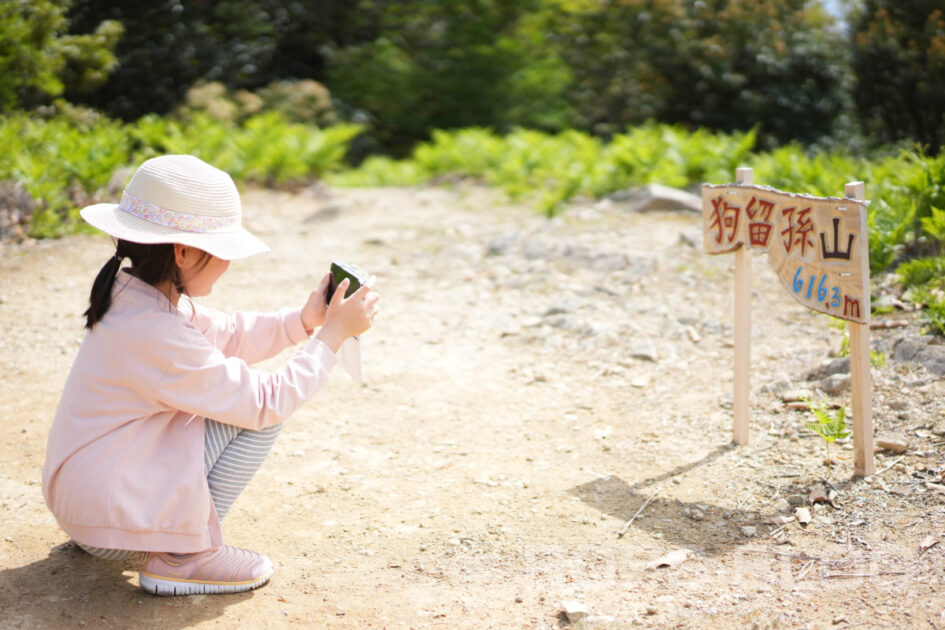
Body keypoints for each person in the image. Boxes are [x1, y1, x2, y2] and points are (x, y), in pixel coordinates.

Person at [41, 154, 380, 596]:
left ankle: (150, 536)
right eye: (223, 252)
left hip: (88, 504)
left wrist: (304, 320)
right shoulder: (156, 331)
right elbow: (264, 403)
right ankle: (184, 557)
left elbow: (230, 333)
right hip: (107, 518)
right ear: (183, 252)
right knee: (259, 416)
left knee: (215, 409)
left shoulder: (137, 298)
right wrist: (332, 337)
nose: (228, 263)